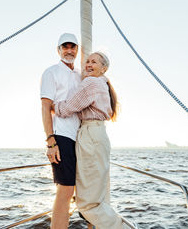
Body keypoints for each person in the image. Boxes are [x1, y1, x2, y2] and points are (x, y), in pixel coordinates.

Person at [54, 52, 125, 229]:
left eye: (94, 61)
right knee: (99, 196)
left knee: (87, 204)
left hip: (90, 135)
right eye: (87, 61)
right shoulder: (103, 83)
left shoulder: (91, 82)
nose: (88, 64)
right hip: (99, 135)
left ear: (104, 68)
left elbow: (68, 108)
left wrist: (51, 105)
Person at [40, 33, 81, 229]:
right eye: (65, 46)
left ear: (77, 49)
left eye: (73, 46)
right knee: (65, 191)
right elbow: (45, 107)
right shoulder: (51, 72)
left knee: (76, 190)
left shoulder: (81, 75)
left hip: (80, 138)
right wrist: (50, 141)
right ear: (59, 50)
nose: (69, 50)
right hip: (61, 136)